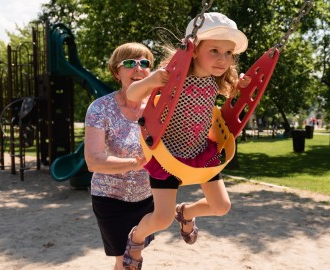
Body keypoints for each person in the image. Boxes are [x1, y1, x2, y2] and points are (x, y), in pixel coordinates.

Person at [122, 12, 251, 269]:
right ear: (192, 50)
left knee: (221, 206)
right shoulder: (170, 76)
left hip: (201, 152)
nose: (222, 59)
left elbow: (231, 94)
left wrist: (242, 85)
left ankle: (187, 212)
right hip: (166, 154)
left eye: (228, 53)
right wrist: (150, 80)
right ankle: (136, 238)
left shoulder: (217, 79)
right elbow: (133, 95)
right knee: (161, 219)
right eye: (214, 50)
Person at [84, 42, 159, 270]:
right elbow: (93, 160)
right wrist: (136, 164)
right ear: (117, 72)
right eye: (129, 63)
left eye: (144, 63)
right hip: (111, 199)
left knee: (131, 259)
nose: (138, 68)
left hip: (147, 196)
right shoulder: (100, 108)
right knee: (126, 261)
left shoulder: (158, 106)